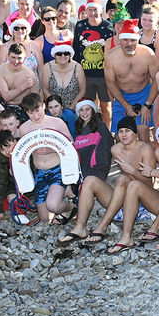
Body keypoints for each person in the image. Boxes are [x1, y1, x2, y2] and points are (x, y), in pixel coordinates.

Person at [56, 100, 115, 245]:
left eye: (87, 109)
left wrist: (93, 177)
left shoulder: (100, 127)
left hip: (95, 177)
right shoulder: (79, 130)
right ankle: (74, 213)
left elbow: (104, 157)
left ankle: (80, 227)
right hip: (84, 178)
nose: (84, 113)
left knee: (89, 182)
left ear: (93, 111)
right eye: (81, 110)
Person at [101, 117, 159, 254]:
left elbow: (149, 184)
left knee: (133, 184)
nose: (124, 134)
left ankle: (127, 236)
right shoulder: (115, 149)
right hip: (129, 197)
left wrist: (132, 170)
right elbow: (125, 179)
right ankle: (102, 226)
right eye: (120, 131)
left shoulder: (145, 149)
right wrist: (128, 173)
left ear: (135, 133)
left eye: (128, 131)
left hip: (147, 197)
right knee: (121, 178)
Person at [17, 93, 75, 224]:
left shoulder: (57, 123)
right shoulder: (24, 128)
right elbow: (22, 154)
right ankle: (63, 192)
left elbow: (71, 146)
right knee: (45, 218)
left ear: (43, 106)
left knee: (53, 206)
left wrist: (51, 148)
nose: (36, 116)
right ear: (26, 112)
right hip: (39, 172)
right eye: (31, 113)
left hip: (57, 169)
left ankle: (71, 207)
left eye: (37, 110)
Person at [104, 19, 158, 142]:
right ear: (119, 40)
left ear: (138, 40)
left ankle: (146, 161)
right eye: (125, 40)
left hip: (143, 95)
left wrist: (147, 105)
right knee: (120, 137)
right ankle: (122, 161)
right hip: (121, 96)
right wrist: (125, 105)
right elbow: (110, 84)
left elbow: (156, 80)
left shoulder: (148, 54)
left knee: (143, 133)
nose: (129, 44)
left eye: (133, 40)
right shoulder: (111, 57)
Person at [42, 42, 84, 110]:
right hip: (54, 108)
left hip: (73, 107)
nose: (63, 56)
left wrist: (70, 109)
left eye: (66, 53)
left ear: (70, 55)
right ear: (55, 55)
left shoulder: (77, 67)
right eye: (59, 54)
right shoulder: (47, 67)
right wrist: (56, 107)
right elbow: (45, 89)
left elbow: (82, 91)